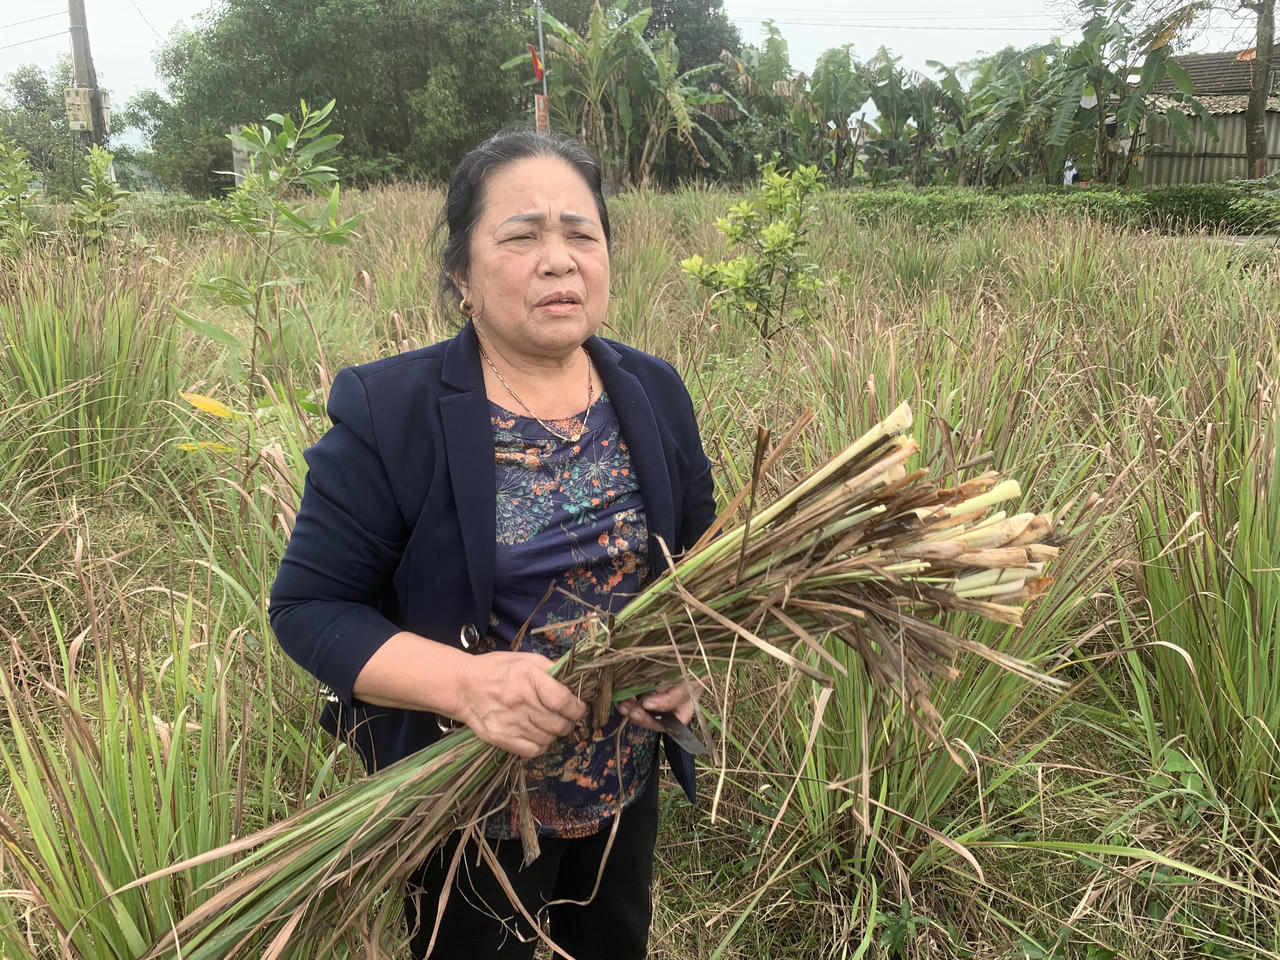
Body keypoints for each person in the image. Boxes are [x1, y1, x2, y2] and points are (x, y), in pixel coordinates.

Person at [268, 131, 716, 960]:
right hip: (465, 802)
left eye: (582, 234)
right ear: (461, 278)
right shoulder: (388, 408)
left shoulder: (652, 390)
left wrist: (682, 661)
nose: (559, 260)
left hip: (622, 776)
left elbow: (696, 560)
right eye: (521, 235)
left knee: (614, 941)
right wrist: (467, 684)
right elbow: (308, 609)